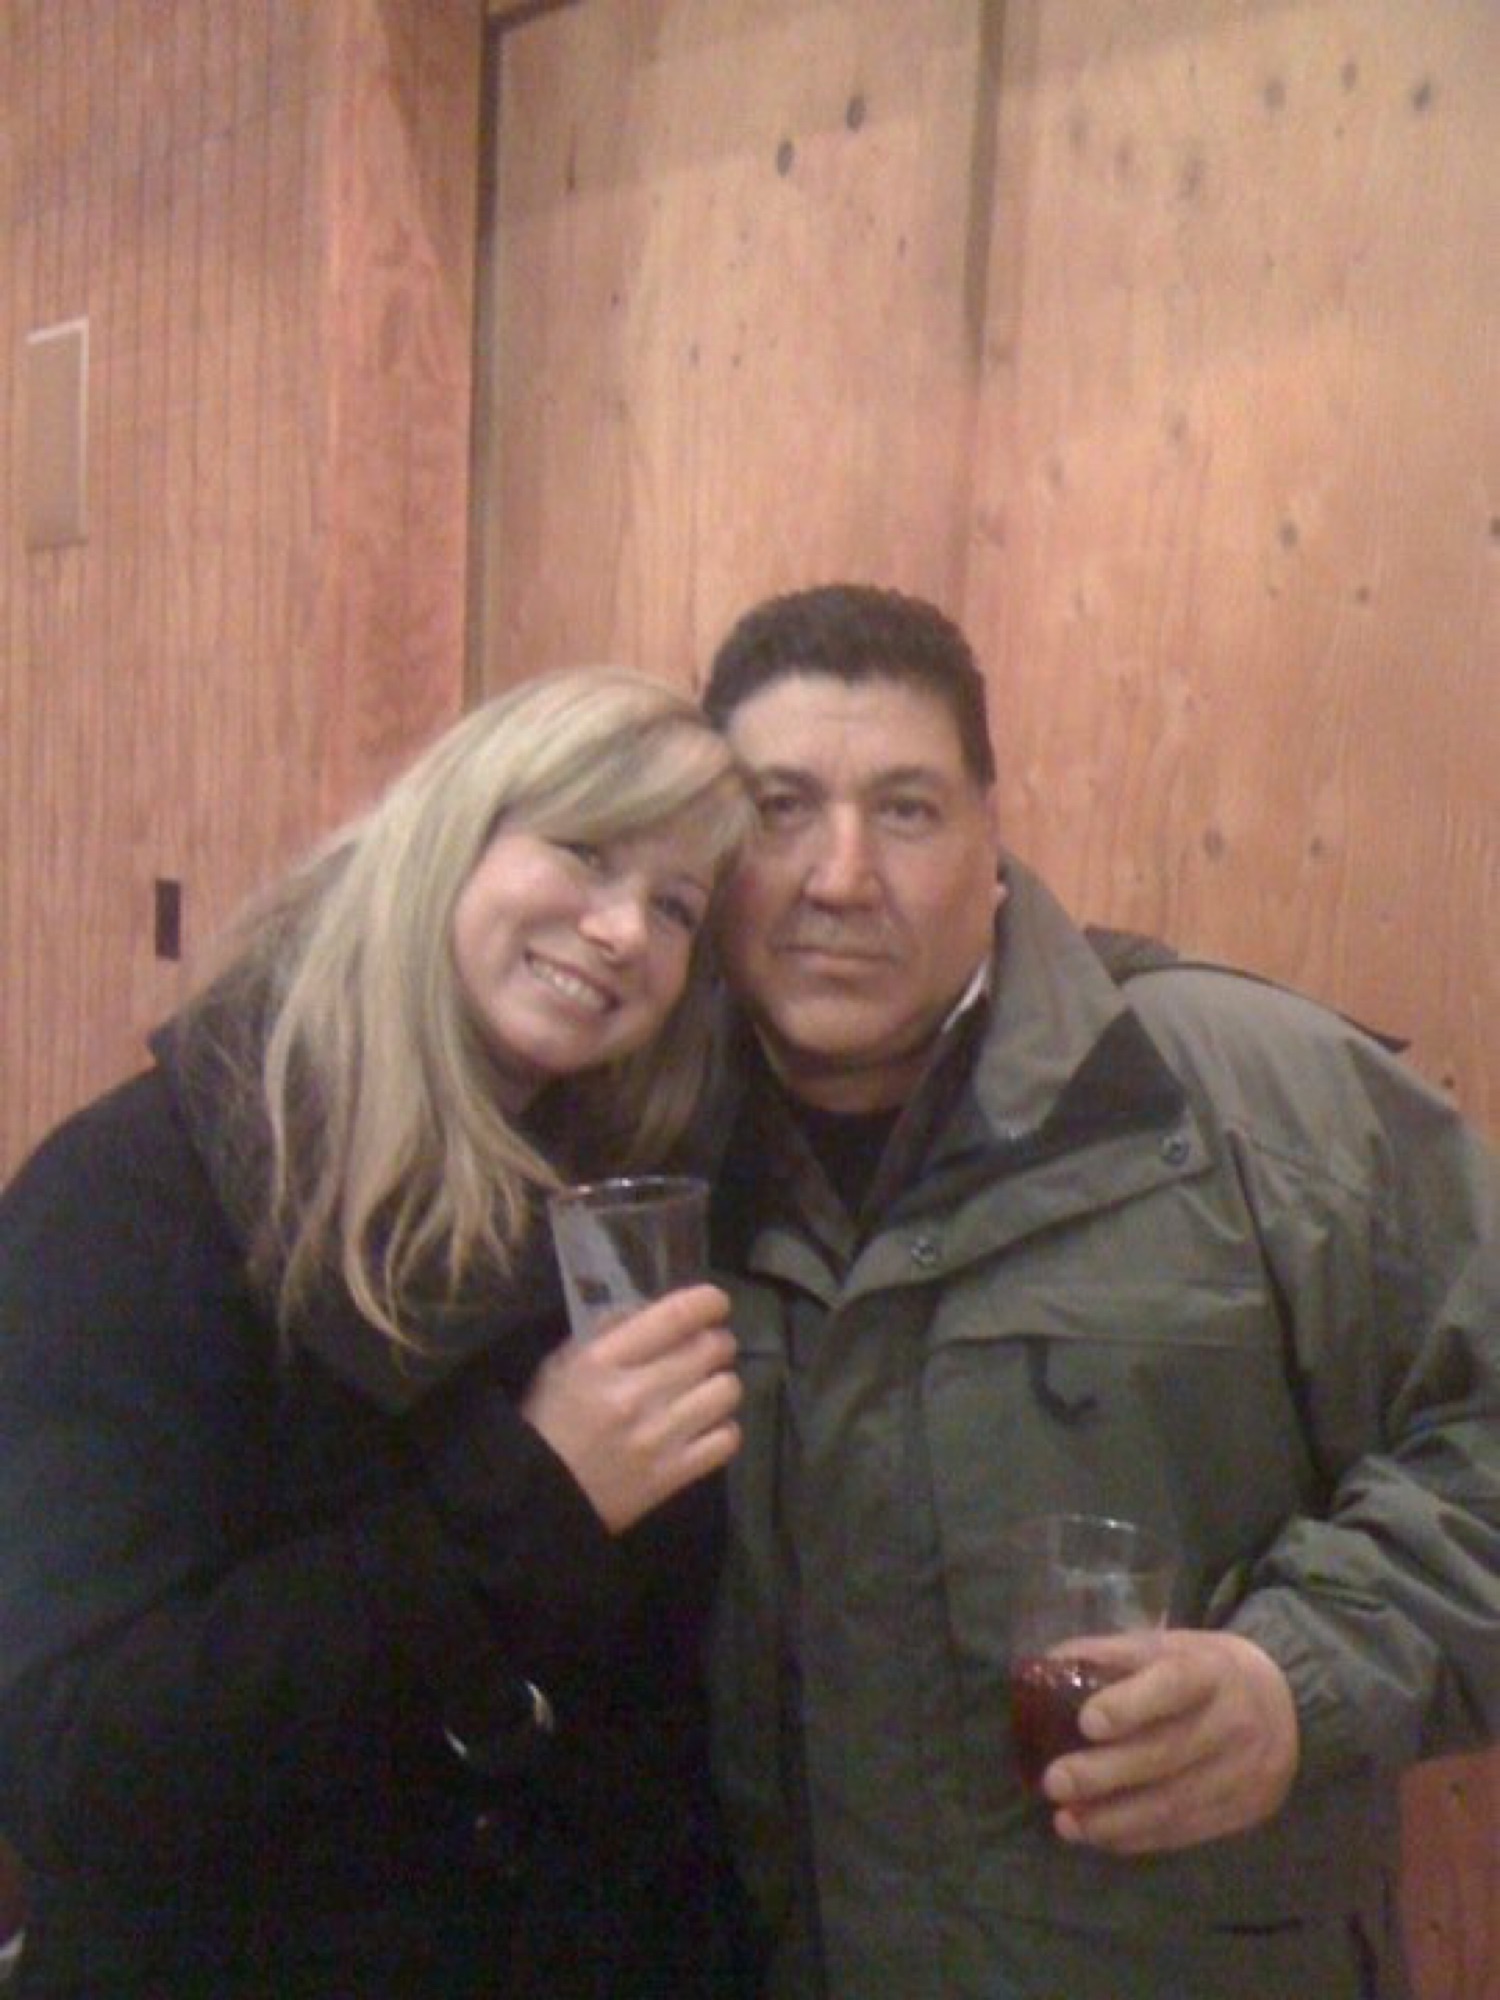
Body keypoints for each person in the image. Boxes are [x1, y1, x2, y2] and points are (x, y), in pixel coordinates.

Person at [697, 583, 1500, 1999]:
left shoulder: (1249, 1102)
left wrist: (1298, 1682)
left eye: (906, 809)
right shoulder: (636, 1151)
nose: (840, 876)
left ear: (993, 838)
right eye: (779, 809)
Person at [0, 668, 758, 1999]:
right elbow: (76, 1761)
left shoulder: (606, 1199)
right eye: (586, 852)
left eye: (676, 907)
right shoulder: (137, 1192)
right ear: (452, 832)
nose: (623, 930)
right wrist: (527, 1497)